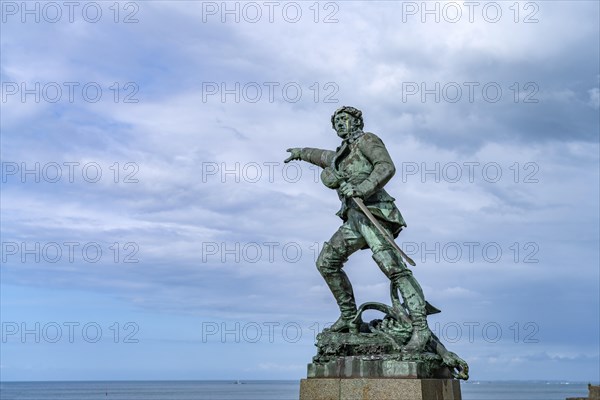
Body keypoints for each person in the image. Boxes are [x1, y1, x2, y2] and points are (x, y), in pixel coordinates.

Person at [284, 106, 431, 353]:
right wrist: (300, 153)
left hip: (372, 212)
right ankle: (350, 317)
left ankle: (420, 326)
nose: (340, 123)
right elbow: (322, 157)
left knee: (393, 267)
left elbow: (385, 167)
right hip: (353, 219)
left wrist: (362, 188)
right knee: (326, 263)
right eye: (337, 121)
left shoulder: (367, 140)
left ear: (356, 122)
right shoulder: (342, 154)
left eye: (345, 119)